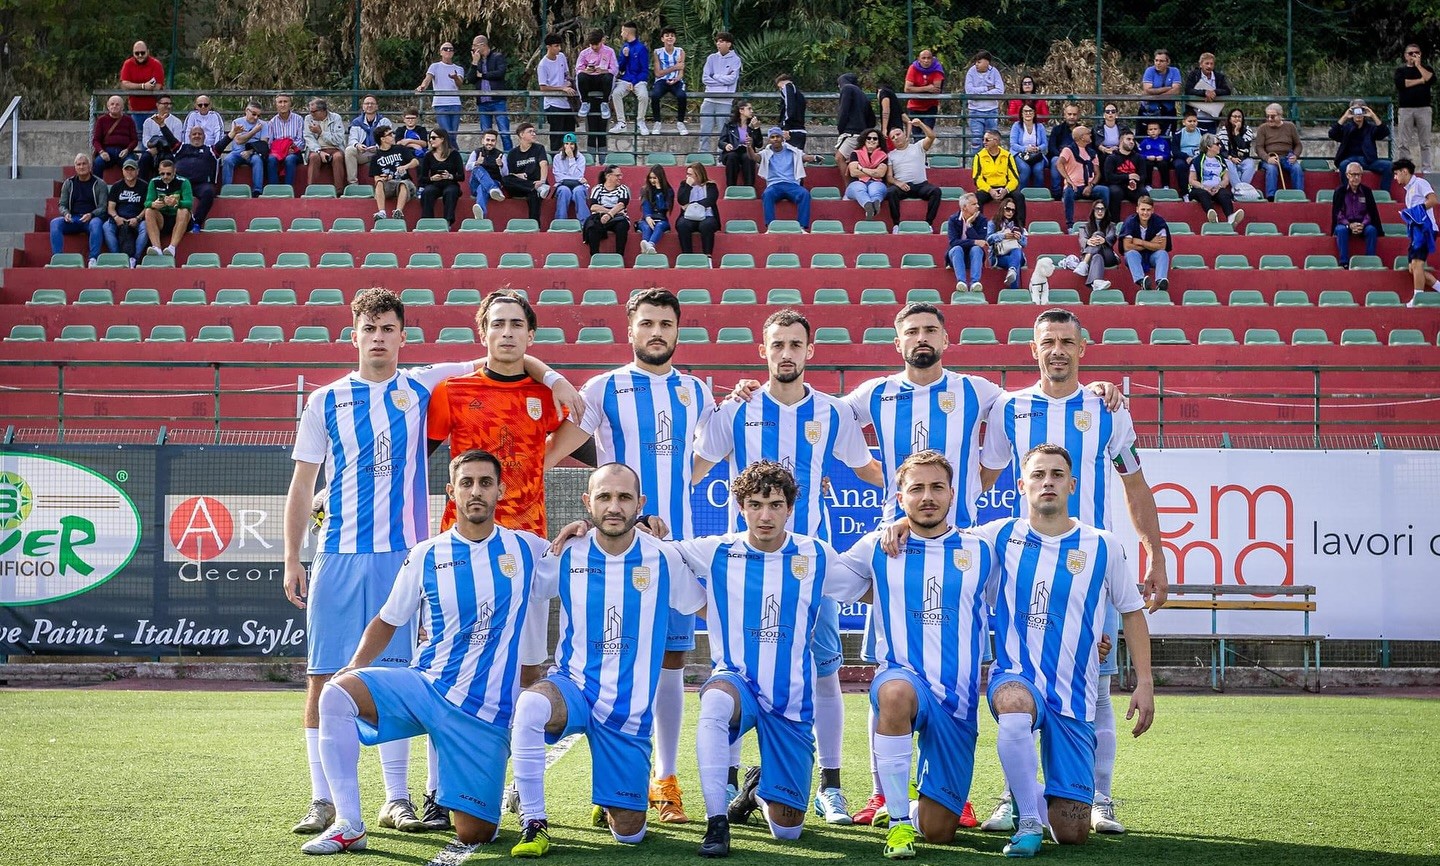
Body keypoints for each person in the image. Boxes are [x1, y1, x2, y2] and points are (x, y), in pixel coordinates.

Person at [282, 289, 479, 842]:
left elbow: (498, 358)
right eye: (369, 327)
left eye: (389, 328)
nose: (378, 337)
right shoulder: (324, 401)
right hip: (339, 555)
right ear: (354, 335)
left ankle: (397, 798)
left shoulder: (421, 384)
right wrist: (292, 557)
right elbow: (303, 486)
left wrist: (555, 380)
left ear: (402, 336)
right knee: (324, 679)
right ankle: (323, 799)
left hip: (404, 558)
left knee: (394, 679)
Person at [299, 449, 556, 856]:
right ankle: (349, 823)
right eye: (467, 483)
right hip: (426, 689)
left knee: (476, 835)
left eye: (486, 483)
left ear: (500, 491)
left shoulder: (528, 549)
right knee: (336, 693)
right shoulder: (425, 554)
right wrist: (353, 668)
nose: (476, 492)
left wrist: (584, 531)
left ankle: (468, 797)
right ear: (451, 491)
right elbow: (387, 619)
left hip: (484, 715)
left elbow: (585, 564)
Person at [975, 308, 1167, 837]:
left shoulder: (1107, 409)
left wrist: (1155, 552)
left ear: (1083, 348)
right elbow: (985, 480)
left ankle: (1100, 799)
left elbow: (1134, 484)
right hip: (1025, 569)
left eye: (1066, 341)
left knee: (1096, 690)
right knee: (1018, 691)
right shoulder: (1009, 408)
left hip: (1090, 574)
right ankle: (1014, 798)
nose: (1057, 350)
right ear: (1032, 350)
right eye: (1047, 342)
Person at [693, 312, 883, 828]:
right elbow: (694, 468)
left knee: (824, 672)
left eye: (795, 344)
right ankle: (729, 782)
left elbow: (868, 469)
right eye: (777, 344)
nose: (786, 354)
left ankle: (831, 785)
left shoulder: (833, 413)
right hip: (745, 568)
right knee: (734, 673)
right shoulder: (737, 410)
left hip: (808, 567)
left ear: (810, 351)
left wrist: (907, 507)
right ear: (762, 349)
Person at [544, 288, 717, 827]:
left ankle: (664, 781)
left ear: (677, 330)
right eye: (647, 323)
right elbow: (554, 449)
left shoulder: (696, 391)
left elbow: (710, 454)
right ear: (631, 330)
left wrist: (676, 493)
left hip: (672, 554)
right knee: (609, 660)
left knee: (670, 663)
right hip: (611, 553)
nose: (657, 331)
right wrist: (598, 516)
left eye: (666, 322)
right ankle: (614, 782)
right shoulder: (605, 388)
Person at [509, 464, 707, 857]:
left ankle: (614, 798)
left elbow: (702, 608)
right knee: (530, 705)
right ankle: (533, 821)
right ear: (588, 503)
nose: (614, 506)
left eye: (623, 497)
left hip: (627, 712)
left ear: (641, 504)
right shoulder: (568, 552)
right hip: (573, 687)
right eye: (604, 497)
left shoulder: (663, 557)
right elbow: (523, 586)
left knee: (629, 835)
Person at [974, 443, 1154, 856]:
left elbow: (1132, 612)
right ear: (1022, 485)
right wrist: (899, 528)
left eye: (1056, 475)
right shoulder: (998, 535)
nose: (1047, 482)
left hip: (1074, 693)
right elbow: (941, 542)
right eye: (1038, 475)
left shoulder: (1103, 544)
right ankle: (1028, 820)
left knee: (1072, 833)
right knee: (1014, 708)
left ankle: (1038, 795)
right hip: (1017, 675)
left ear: (1072, 485)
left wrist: (1144, 683)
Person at [677, 461, 863, 857]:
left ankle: (759, 789)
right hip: (737, 682)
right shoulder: (717, 551)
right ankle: (716, 823)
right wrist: (640, 525)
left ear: (790, 508)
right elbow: (657, 555)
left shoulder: (815, 554)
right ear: (740, 506)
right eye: (755, 504)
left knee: (788, 830)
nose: (765, 515)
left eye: (775, 504)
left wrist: (896, 535)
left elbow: (863, 584)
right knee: (713, 701)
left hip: (790, 702)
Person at [832, 450, 998, 859]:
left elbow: (1024, 602)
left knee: (940, 832)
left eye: (937, 487)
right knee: (893, 693)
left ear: (952, 493)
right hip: (903, 678)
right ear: (899, 497)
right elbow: (825, 580)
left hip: (957, 704)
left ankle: (910, 801)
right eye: (916, 488)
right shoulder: (877, 546)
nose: (928, 496)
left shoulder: (982, 550)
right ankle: (898, 823)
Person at [50, 153, 107, 266]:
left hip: (91, 218)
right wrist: (66, 214)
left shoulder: (100, 184)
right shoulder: (68, 183)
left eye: (84, 164)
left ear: (90, 166)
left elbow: (103, 207)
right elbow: (62, 204)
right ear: (75, 167)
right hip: (73, 218)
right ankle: (58, 258)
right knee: (55, 223)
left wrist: (91, 214)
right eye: (78, 164)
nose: (81, 167)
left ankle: (93, 259)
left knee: (96, 224)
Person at [1396, 159, 1439, 306]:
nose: (1395, 178)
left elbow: (1433, 200)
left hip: (1425, 229)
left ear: (1404, 171)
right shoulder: (1408, 192)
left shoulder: (1420, 183)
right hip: (1416, 231)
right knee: (1412, 268)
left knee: (1417, 263)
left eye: (1396, 174)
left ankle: (1417, 298)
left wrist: (1417, 211)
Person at [885, 118, 943, 229]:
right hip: (903, 186)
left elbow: (931, 137)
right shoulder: (891, 155)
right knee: (891, 192)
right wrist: (898, 183)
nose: (896, 138)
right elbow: (889, 177)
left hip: (921, 185)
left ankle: (928, 223)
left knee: (936, 191)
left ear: (905, 134)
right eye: (893, 137)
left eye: (898, 134)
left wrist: (921, 124)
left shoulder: (918, 146)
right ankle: (896, 224)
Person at [1330, 99, 1393, 193]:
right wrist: (1345, 117)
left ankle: (1384, 193)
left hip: (1369, 160)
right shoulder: (1347, 128)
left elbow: (1384, 132)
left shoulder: (1370, 128)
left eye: (1361, 110)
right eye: (1355, 111)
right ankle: (1347, 193)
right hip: (1350, 160)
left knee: (1389, 166)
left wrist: (1372, 115)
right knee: (1343, 165)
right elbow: (1332, 134)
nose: (1358, 114)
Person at [758, 127, 814, 229]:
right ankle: (770, 227)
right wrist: (749, 147)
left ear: (782, 138)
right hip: (774, 185)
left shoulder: (792, 150)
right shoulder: (766, 153)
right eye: (772, 137)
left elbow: (804, 157)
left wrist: (814, 158)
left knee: (804, 193)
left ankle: (802, 227)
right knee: (767, 194)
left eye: (778, 136)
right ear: (769, 140)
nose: (775, 139)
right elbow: (754, 157)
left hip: (791, 184)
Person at [1332, 161, 1384, 268]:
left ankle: (1370, 261)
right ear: (1347, 175)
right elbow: (1338, 213)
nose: (1356, 178)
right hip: (1345, 224)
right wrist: (1349, 225)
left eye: (1359, 175)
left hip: (1362, 224)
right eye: (1353, 174)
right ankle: (1344, 262)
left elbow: (1371, 212)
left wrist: (1363, 224)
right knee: (1341, 230)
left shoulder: (1367, 191)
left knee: (1371, 230)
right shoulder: (1340, 191)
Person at [575, 29, 618, 155]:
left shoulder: (609, 51)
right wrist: (585, 70)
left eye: (596, 44)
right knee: (581, 77)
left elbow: (615, 69)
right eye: (591, 44)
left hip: (602, 80)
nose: (594, 47)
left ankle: (605, 101)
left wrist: (604, 70)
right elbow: (578, 68)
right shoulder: (584, 53)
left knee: (608, 77)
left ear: (602, 41)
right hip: (590, 81)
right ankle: (585, 101)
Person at [1057, 125, 1109, 231]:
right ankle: (1070, 226)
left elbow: (1097, 173)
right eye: (1088, 133)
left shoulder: (1092, 153)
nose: (1090, 135)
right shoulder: (1068, 150)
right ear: (1081, 137)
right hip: (1074, 186)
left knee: (1104, 190)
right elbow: (1059, 164)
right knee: (1068, 192)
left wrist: (1091, 185)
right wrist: (1068, 180)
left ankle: (1104, 222)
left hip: (1089, 186)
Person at [467, 35, 512, 149]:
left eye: (475, 45)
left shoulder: (497, 57)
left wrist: (483, 75)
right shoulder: (478, 60)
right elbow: (471, 79)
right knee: (486, 134)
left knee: (504, 132)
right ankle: (487, 157)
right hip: (482, 102)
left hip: (498, 101)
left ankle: (509, 156)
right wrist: (474, 63)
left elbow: (500, 73)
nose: (473, 48)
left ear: (483, 45)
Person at [699, 32, 743, 152]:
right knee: (704, 130)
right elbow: (705, 79)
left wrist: (715, 76)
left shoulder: (736, 60)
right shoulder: (711, 58)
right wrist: (722, 80)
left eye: (721, 41)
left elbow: (732, 79)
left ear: (729, 44)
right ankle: (703, 155)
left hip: (725, 101)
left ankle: (721, 157)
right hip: (709, 99)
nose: (718, 43)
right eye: (717, 41)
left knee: (722, 132)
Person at [1189, 133, 1244, 226]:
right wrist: (1204, 187)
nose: (1220, 146)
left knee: (1224, 193)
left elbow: (1226, 179)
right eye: (1217, 144)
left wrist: (1218, 187)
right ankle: (1213, 217)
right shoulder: (1197, 161)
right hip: (1200, 189)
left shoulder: (1221, 160)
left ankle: (1230, 217)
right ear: (1208, 146)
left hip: (1216, 189)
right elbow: (1192, 180)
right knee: (1203, 194)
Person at [1119, 194, 1172, 292]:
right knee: (1131, 253)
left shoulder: (1159, 222)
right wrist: (1151, 244)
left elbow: (1162, 246)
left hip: (1152, 256)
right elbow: (1127, 247)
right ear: (1137, 209)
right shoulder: (1130, 222)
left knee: (1163, 254)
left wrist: (1141, 242)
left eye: (1148, 210)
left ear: (1152, 210)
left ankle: (1160, 282)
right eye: (1143, 209)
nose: (1145, 213)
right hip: (1135, 256)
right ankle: (1141, 281)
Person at [1395, 45, 1434, 175]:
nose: (1413, 55)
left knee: (1425, 142)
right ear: (1406, 55)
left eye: (1416, 53)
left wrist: (1418, 66)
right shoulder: (1401, 71)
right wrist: (1420, 81)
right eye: (1411, 53)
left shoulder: (1426, 68)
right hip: (1406, 109)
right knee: (1403, 142)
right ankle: (1404, 168)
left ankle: (1426, 168)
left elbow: (1429, 78)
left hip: (1424, 108)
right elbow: (1402, 84)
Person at [415, 42, 465, 144]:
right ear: (440, 52)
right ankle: (455, 155)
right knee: (446, 133)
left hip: (455, 104)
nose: (448, 51)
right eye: (445, 49)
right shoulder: (435, 66)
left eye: (451, 49)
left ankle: (450, 155)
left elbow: (459, 84)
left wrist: (455, 78)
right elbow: (427, 79)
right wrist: (422, 87)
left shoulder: (459, 68)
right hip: (440, 104)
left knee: (453, 134)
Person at [972, 129, 1024, 224]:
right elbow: (977, 179)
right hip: (988, 189)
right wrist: (990, 190)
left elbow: (1014, 178)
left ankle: (1020, 226)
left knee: (1019, 196)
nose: (984, 142)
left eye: (987, 140)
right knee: (977, 198)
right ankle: (979, 225)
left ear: (996, 141)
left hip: (1004, 188)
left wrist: (1006, 190)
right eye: (983, 139)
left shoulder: (1007, 156)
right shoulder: (979, 156)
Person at [502, 122, 552, 223]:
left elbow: (544, 164)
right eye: (530, 132)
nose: (534, 134)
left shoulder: (539, 148)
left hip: (539, 184)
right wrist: (518, 175)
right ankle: (533, 186)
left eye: (534, 132)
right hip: (522, 186)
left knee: (534, 194)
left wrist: (542, 181)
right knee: (505, 179)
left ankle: (534, 225)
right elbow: (511, 175)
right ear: (521, 135)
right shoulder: (512, 153)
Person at [1064, 200, 1118, 291]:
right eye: (1097, 209)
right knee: (1097, 256)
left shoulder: (1111, 226)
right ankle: (1097, 282)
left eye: (1102, 209)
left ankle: (1084, 264)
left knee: (1098, 234)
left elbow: (1112, 237)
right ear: (1093, 211)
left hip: (1108, 256)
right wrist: (1088, 241)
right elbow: (1082, 240)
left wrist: (1103, 240)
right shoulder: (1083, 227)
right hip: (1094, 257)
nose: (1100, 211)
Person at [1254, 103, 1305, 200]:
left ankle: (1299, 195)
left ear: (1280, 115)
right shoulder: (1262, 128)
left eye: (1272, 116)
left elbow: (1298, 144)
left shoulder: (1290, 126)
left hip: (1287, 156)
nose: (1269, 119)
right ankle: (1271, 197)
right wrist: (1267, 158)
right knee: (1271, 169)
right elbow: (1259, 147)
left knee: (1297, 168)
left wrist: (1295, 155)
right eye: (1267, 116)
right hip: (1270, 157)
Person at [172, 125, 219, 230]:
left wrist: (233, 133)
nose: (197, 136)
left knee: (209, 191)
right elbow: (170, 138)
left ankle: (196, 223)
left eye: (199, 134)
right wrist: (162, 125)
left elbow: (223, 143)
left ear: (204, 136)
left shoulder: (210, 150)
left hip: (200, 185)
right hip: (182, 184)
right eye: (194, 134)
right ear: (189, 136)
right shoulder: (181, 148)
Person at [141, 158, 190, 258]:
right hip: (162, 219)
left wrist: (177, 203)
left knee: (184, 210)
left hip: (179, 219)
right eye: (162, 174)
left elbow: (189, 203)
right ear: (159, 171)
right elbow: (147, 202)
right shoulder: (154, 182)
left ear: (174, 171)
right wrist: (153, 204)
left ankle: (172, 248)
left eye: (168, 174)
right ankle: (157, 248)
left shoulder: (184, 182)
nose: (165, 176)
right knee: (149, 211)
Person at [104, 157, 148, 266]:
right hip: (119, 218)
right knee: (106, 227)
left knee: (146, 227)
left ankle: (134, 258)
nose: (129, 172)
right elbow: (110, 208)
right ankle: (118, 257)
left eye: (132, 169)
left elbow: (147, 207)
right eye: (126, 169)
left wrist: (138, 218)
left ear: (137, 171)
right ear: (122, 171)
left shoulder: (144, 186)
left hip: (137, 218)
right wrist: (116, 217)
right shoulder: (116, 186)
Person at [537, 34, 578, 151]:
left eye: (559, 45)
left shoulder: (561, 57)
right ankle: (555, 158)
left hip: (566, 102)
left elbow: (566, 74)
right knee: (556, 135)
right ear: (548, 47)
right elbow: (543, 87)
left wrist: (570, 82)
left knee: (570, 135)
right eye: (556, 46)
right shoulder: (543, 65)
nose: (559, 48)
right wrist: (561, 88)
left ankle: (570, 156)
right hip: (553, 104)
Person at [369, 126, 419, 221]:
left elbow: (415, 162)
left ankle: (398, 211)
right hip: (389, 183)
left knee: (403, 184)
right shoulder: (376, 157)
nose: (393, 136)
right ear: (383, 139)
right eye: (390, 134)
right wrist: (383, 178)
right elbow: (376, 178)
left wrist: (405, 167)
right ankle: (382, 212)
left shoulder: (400, 149)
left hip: (405, 182)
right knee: (379, 183)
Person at [610, 22, 651, 135]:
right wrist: (625, 57)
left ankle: (640, 121)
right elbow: (621, 67)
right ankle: (621, 122)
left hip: (638, 80)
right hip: (625, 79)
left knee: (643, 95)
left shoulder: (641, 48)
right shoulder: (625, 47)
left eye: (622, 31)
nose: (621, 34)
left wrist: (634, 82)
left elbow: (644, 71)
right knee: (616, 93)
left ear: (627, 33)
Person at [221, 100, 269, 197]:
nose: (256, 118)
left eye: (259, 116)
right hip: (237, 151)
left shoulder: (263, 124)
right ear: (247, 111)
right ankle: (226, 189)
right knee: (227, 160)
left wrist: (250, 152)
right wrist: (254, 131)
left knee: (257, 160)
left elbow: (263, 144)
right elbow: (238, 140)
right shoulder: (237, 122)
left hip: (253, 152)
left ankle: (257, 191)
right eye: (254, 114)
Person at [674, 162, 722, 258]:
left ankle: (707, 256)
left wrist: (691, 205)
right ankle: (687, 255)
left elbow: (710, 200)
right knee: (682, 224)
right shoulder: (684, 184)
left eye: (690, 174)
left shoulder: (710, 185)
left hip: (707, 215)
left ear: (698, 174)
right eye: (687, 174)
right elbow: (681, 200)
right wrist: (688, 186)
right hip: (689, 216)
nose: (687, 176)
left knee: (707, 225)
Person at [343, 95, 392, 187]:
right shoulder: (356, 122)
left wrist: (377, 147)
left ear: (376, 106)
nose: (369, 105)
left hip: (379, 152)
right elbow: (352, 139)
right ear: (363, 107)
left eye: (372, 103)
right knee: (349, 150)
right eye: (367, 103)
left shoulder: (384, 121)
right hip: (363, 153)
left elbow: (389, 140)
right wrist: (357, 145)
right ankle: (353, 184)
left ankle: (385, 183)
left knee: (388, 150)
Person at [946, 194, 990, 293]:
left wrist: (969, 226)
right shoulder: (953, 219)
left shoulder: (982, 220)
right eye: (974, 204)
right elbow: (953, 242)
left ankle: (975, 282)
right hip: (957, 256)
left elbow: (981, 242)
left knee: (976, 249)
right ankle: (961, 282)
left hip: (974, 257)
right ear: (964, 207)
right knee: (957, 248)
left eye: (977, 203)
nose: (977, 206)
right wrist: (973, 242)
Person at [419, 130, 464, 227]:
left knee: (450, 192)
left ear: (442, 139)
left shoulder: (454, 154)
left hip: (451, 183)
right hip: (435, 184)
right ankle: (427, 222)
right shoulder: (428, 155)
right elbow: (422, 178)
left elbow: (461, 177)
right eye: (430, 138)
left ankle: (447, 222)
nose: (431, 140)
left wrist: (450, 176)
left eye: (434, 138)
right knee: (427, 192)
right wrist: (432, 179)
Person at [584, 164, 631, 256]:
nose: (620, 178)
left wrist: (609, 215)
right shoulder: (598, 188)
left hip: (618, 218)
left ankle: (619, 256)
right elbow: (593, 207)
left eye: (620, 175)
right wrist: (609, 212)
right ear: (608, 176)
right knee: (592, 227)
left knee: (622, 226)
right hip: (602, 217)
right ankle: (595, 256)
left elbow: (621, 205)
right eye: (617, 175)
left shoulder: (623, 189)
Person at [964, 50, 1004, 153]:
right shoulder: (971, 72)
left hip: (991, 111)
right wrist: (987, 88)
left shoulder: (994, 72)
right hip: (975, 111)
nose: (976, 64)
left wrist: (979, 95)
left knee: (991, 141)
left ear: (987, 62)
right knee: (976, 140)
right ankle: (976, 165)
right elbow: (970, 91)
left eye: (979, 62)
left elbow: (1000, 91)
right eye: (976, 62)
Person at [834, 73, 876, 171]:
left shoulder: (847, 89)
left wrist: (841, 129)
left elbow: (843, 111)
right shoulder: (862, 94)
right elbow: (872, 119)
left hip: (851, 132)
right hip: (862, 133)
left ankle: (848, 185)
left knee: (839, 158)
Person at [651, 27, 689, 135]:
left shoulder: (680, 51)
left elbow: (681, 70)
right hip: (661, 80)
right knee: (655, 95)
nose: (670, 37)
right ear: (662, 39)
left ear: (675, 38)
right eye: (667, 35)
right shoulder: (657, 52)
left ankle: (680, 122)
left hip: (676, 80)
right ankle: (657, 122)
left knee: (682, 96)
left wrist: (676, 79)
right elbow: (658, 73)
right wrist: (674, 67)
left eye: (672, 35)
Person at [845, 129, 889, 219]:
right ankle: (869, 206)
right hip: (857, 183)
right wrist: (873, 172)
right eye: (868, 138)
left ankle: (874, 204)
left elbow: (880, 173)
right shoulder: (855, 153)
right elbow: (853, 172)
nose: (871, 140)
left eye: (875, 139)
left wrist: (861, 168)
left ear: (879, 141)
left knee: (875, 190)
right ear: (864, 140)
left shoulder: (884, 156)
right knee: (859, 188)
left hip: (876, 183)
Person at [305, 98, 349, 189]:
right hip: (316, 149)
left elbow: (339, 139)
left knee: (338, 157)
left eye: (313, 112)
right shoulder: (308, 119)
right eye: (310, 111)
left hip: (335, 148)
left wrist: (321, 132)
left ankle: (339, 190)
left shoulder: (336, 118)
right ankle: (311, 189)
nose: (311, 114)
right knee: (313, 157)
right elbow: (308, 138)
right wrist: (319, 151)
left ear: (322, 111)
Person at [1183, 52, 1232, 132]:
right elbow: (1188, 90)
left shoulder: (1219, 77)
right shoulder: (1193, 75)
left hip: (1212, 117)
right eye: (1207, 63)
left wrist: (1215, 92)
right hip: (1195, 116)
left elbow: (1227, 91)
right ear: (1201, 64)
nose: (1209, 66)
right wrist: (1204, 92)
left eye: (1211, 64)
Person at [987, 198, 1028, 291]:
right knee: (1014, 262)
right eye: (1007, 209)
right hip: (998, 257)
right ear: (1002, 208)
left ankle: (1012, 271)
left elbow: (1025, 244)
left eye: (1013, 210)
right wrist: (1003, 236)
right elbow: (988, 240)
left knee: (1016, 252)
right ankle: (1014, 290)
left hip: (1016, 254)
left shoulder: (1017, 224)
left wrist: (1019, 238)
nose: (1010, 212)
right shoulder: (993, 223)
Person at [93, 95, 139, 176]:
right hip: (107, 151)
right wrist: (102, 152)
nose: (114, 106)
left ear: (122, 107)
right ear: (108, 106)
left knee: (131, 164)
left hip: (124, 152)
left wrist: (127, 150)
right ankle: (97, 187)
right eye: (112, 104)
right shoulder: (101, 120)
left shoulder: (129, 120)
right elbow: (96, 140)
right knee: (97, 163)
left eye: (117, 104)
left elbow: (134, 140)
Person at [1139, 48, 1182, 135]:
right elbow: (1147, 90)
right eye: (1156, 60)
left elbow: (1176, 90)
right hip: (1150, 111)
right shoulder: (1149, 71)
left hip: (1168, 111)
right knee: (1145, 138)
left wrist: (1155, 94)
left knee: (1167, 139)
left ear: (1168, 62)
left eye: (1161, 61)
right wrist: (1167, 88)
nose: (1158, 63)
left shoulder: (1174, 71)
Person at [118, 41, 162, 126]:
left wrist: (134, 86)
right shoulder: (128, 64)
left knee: (154, 136)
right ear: (133, 53)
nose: (140, 55)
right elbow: (124, 84)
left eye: (142, 53)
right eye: (137, 53)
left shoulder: (156, 64)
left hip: (154, 109)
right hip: (135, 109)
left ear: (148, 52)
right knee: (137, 135)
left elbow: (157, 86)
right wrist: (144, 86)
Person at [718, 101, 761, 186]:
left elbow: (759, 144)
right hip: (733, 151)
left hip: (747, 151)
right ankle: (731, 186)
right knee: (732, 157)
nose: (752, 111)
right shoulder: (729, 125)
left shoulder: (752, 126)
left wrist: (756, 129)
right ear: (741, 111)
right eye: (749, 109)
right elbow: (720, 142)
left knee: (748, 157)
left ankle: (749, 187)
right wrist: (726, 145)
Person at [1102, 128, 1146, 209]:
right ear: (1121, 141)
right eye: (1128, 139)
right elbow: (1109, 177)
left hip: (1134, 186)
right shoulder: (1111, 158)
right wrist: (1128, 177)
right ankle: (1114, 221)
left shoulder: (1139, 158)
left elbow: (1143, 176)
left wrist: (1134, 181)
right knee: (1115, 192)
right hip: (1117, 185)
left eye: (1133, 139)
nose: (1132, 142)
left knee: (1144, 193)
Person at [267, 94, 306, 185]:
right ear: (276, 105)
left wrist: (292, 148)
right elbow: (270, 142)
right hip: (278, 153)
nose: (283, 104)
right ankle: (274, 190)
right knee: (271, 159)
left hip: (294, 152)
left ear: (290, 104)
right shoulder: (272, 122)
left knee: (290, 159)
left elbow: (301, 140)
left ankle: (289, 189)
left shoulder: (298, 119)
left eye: (285, 101)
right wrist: (280, 150)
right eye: (280, 102)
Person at [466, 129, 506, 218]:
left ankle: (481, 212)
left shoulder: (501, 155)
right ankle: (493, 189)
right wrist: (477, 163)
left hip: (494, 181)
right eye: (488, 140)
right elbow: (467, 167)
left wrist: (501, 165)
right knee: (477, 169)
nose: (490, 143)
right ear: (483, 141)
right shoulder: (476, 152)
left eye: (493, 140)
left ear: (496, 142)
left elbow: (505, 174)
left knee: (482, 187)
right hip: (475, 185)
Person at [140, 95, 183, 175]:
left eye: (170, 104)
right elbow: (145, 139)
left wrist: (163, 147)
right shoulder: (148, 121)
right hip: (152, 149)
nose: (168, 106)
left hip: (169, 151)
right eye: (165, 104)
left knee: (168, 159)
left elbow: (177, 141)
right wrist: (152, 147)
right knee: (145, 158)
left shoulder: (177, 122)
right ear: (157, 104)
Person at [904, 49, 946, 131]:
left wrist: (916, 89)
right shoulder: (913, 68)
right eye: (923, 58)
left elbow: (936, 89)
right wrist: (926, 88)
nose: (926, 60)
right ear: (919, 59)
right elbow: (907, 89)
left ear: (932, 59)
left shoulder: (937, 68)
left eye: (928, 58)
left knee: (927, 136)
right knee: (917, 136)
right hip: (914, 106)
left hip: (930, 106)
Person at [1046, 103, 1082, 199]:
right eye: (1069, 114)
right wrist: (1063, 157)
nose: (1072, 117)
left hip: (1077, 159)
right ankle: (1056, 194)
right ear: (1064, 115)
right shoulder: (1057, 129)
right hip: (1060, 157)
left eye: (1074, 114)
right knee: (1055, 161)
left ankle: (1075, 192)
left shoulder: (1082, 131)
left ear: (1078, 115)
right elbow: (1052, 148)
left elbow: (1087, 148)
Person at [551, 133, 589, 222]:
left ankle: (585, 223)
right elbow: (558, 177)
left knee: (578, 191)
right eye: (566, 144)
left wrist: (571, 158)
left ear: (575, 145)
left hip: (578, 185)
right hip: (562, 185)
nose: (569, 146)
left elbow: (578, 175)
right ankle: (560, 222)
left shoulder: (581, 158)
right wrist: (574, 178)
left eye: (571, 144)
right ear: (563, 145)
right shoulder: (557, 157)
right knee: (564, 191)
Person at [637, 165, 675, 255]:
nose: (652, 180)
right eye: (650, 178)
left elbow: (662, 207)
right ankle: (645, 245)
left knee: (659, 226)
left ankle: (650, 245)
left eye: (655, 178)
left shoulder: (668, 191)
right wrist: (648, 217)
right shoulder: (645, 190)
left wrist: (659, 191)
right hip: (646, 219)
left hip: (661, 219)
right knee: (646, 226)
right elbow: (645, 205)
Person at [1217, 107, 1258, 189]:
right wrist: (1231, 158)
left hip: (1243, 159)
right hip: (1229, 159)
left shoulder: (1247, 130)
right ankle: (1240, 190)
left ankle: (1240, 189)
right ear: (1229, 119)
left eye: (1239, 117)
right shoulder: (1223, 131)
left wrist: (1237, 133)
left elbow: (1243, 147)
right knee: (1228, 164)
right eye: (1234, 116)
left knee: (1251, 164)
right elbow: (1221, 150)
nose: (1237, 119)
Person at [1010, 104, 1049, 189]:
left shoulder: (1040, 126)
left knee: (1038, 170)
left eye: (1030, 111)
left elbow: (1045, 144)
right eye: (1025, 111)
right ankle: (1020, 195)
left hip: (1036, 155)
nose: (1028, 113)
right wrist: (1025, 148)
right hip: (1019, 154)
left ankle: (1037, 196)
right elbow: (1013, 144)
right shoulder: (1016, 126)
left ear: (1034, 113)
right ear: (1021, 113)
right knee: (1025, 169)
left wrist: (1037, 148)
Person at [1170, 110, 1204, 199]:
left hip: (1198, 156)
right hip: (1182, 157)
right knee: (1179, 165)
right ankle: (1185, 193)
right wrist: (1186, 157)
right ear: (1184, 122)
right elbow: (1175, 151)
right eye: (1190, 121)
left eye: (1194, 121)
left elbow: (1207, 147)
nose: (1192, 123)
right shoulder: (1178, 134)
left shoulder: (1202, 133)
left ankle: (1201, 191)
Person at [1137, 119, 1173, 190]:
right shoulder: (1144, 142)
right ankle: (1148, 185)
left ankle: (1165, 185)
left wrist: (1163, 157)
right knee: (1147, 165)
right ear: (1147, 132)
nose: (1153, 131)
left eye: (1155, 129)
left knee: (1164, 165)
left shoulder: (1164, 142)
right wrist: (1147, 157)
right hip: (1149, 160)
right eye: (1150, 129)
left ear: (1159, 131)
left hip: (1160, 160)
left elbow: (1168, 154)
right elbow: (1139, 154)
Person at [776, 72, 807, 149]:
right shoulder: (798, 94)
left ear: (783, 83)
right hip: (799, 130)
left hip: (791, 131)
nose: (780, 90)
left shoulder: (787, 88)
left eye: (780, 87)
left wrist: (786, 127)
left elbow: (789, 107)